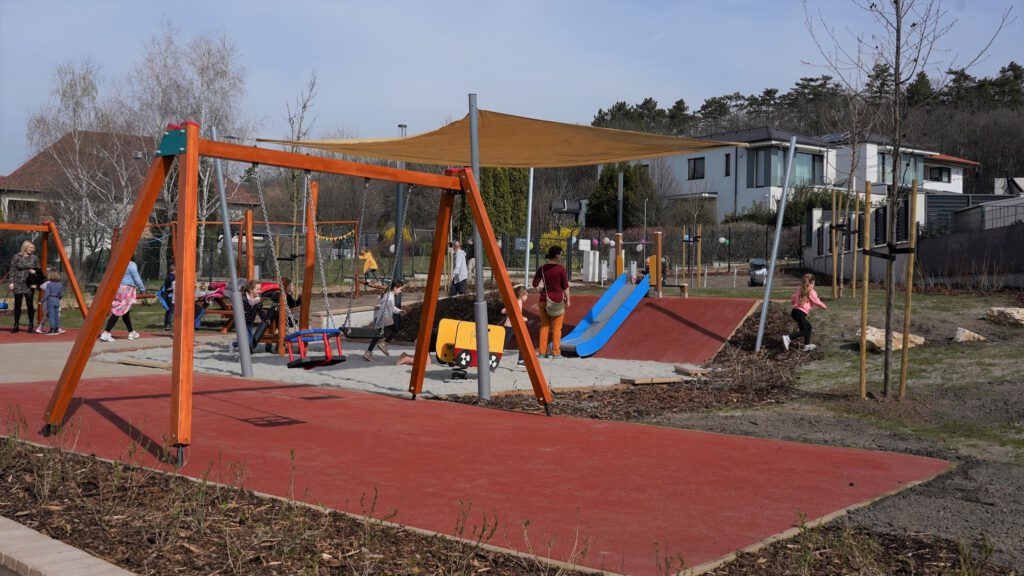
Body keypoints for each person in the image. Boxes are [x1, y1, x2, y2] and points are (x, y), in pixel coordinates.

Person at [532, 245, 570, 358]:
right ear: (557, 255)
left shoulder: (542, 269)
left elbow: (534, 284)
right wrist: (568, 300)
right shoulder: (561, 269)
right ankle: (555, 353)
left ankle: (542, 352)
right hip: (557, 301)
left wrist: (541, 291)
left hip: (544, 300)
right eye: (561, 254)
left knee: (544, 326)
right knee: (556, 328)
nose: (561, 256)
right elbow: (565, 287)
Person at [99, 257, 145, 342]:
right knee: (118, 311)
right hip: (127, 289)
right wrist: (142, 288)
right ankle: (106, 332)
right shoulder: (131, 264)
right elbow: (136, 277)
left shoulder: (117, 263)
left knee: (125, 311)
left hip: (118, 288)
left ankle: (131, 332)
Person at [783, 273, 827, 352]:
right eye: (814, 283)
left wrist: (795, 303)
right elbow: (816, 301)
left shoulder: (800, 290)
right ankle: (788, 338)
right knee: (804, 331)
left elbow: (793, 298)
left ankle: (807, 345)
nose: (814, 285)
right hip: (800, 313)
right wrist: (824, 306)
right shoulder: (812, 291)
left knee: (809, 327)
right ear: (812, 283)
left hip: (795, 312)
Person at [364, 279, 404, 361]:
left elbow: (391, 307)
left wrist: (399, 311)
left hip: (381, 318)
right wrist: (395, 315)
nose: (401, 291)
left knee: (376, 336)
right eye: (400, 289)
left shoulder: (389, 294)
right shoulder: (390, 297)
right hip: (384, 318)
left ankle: (368, 352)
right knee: (395, 330)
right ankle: (383, 343)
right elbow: (390, 308)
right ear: (395, 288)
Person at [8, 241, 40, 333]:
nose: (32, 249)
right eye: (30, 247)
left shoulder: (35, 258)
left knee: (30, 304)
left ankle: (31, 325)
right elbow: (12, 270)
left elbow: (38, 270)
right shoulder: (16, 257)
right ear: (25, 247)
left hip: (30, 283)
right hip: (18, 282)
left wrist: (35, 273)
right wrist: (11, 282)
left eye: (33, 248)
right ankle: (16, 325)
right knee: (17, 304)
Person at [500, 284, 530, 365]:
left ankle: (521, 360)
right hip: (513, 326)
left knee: (522, 342)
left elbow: (504, 311)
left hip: (511, 325)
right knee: (504, 344)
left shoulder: (514, 300)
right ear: (522, 295)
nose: (527, 297)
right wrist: (524, 319)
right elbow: (517, 314)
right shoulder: (518, 302)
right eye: (526, 295)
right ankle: (521, 361)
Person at [239, 280, 270, 352]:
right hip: (242, 322)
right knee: (246, 339)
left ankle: (235, 345)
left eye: (260, 289)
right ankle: (247, 351)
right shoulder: (244, 298)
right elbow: (243, 307)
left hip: (250, 322)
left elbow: (261, 311)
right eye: (258, 289)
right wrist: (253, 302)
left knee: (250, 339)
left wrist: (265, 319)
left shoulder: (258, 300)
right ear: (251, 290)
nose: (260, 291)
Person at [41, 270, 64, 335]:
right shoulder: (60, 285)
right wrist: (58, 298)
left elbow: (47, 294)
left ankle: (52, 330)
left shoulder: (49, 284)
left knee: (51, 315)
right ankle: (57, 329)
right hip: (57, 300)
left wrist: (41, 301)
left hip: (51, 299)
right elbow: (61, 294)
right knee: (57, 315)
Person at [158, 263, 175, 331]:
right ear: (174, 270)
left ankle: (166, 323)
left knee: (168, 310)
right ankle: (168, 324)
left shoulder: (168, 276)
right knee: (171, 310)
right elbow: (172, 286)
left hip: (167, 295)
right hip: (171, 295)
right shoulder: (173, 277)